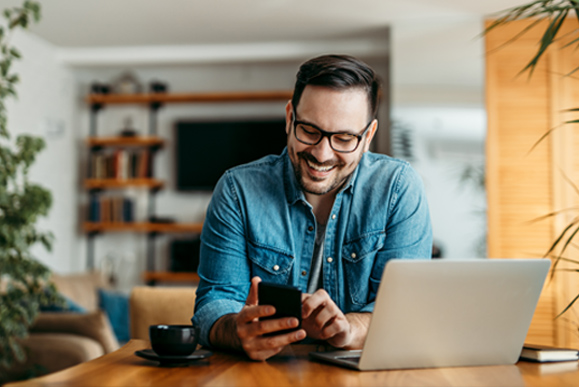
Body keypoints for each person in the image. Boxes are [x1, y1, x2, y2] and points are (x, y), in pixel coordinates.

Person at [192, 54, 432, 361]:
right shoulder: (237, 190)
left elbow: (406, 311)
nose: (321, 154)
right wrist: (237, 331)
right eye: (309, 130)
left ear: (368, 135)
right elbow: (214, 304)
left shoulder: (398, 189)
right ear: (290, 117)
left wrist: (349, 329)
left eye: (344, 138)